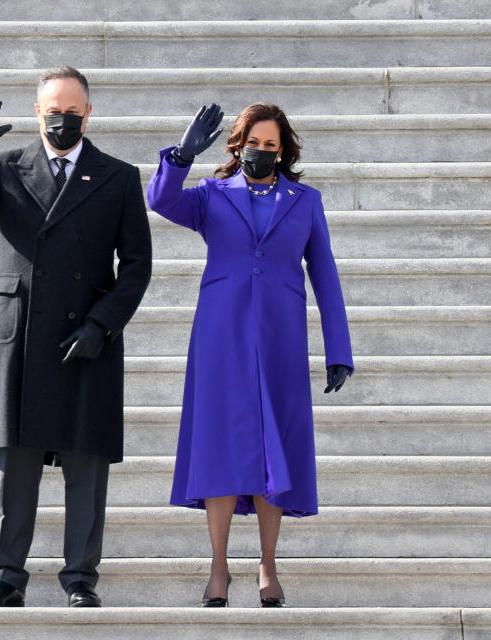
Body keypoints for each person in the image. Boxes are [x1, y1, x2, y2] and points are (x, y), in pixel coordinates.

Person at [0, 66, 152, 608]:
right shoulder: (5, 165)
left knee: (86, 462)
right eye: (53, 110)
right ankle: (7, 576)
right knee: (18, 461)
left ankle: (80, 578)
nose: (62, 119)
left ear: (89, 113)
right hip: (21, 331)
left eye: (72, 110)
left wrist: (102, 324)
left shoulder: (118, 175)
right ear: (38, 113)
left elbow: (135, 266)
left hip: (87, 334)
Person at [147, 102, 353, 608]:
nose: (262, 152)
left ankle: (267, 563)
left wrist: (338, 349)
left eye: (271, 146)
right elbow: (160, 200)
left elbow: (324, 274)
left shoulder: (304, 200)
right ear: (236, 146)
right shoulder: (212, 196)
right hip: (221, 336)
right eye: (253, 143)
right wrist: (181, 155)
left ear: (283, 152)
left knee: (272, 449)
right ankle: (218, 566)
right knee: (220, 447)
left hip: (280, 337)